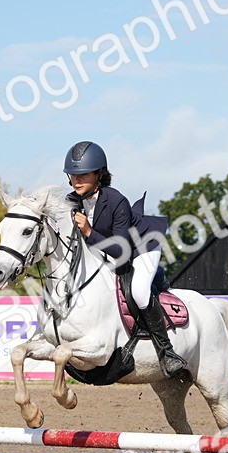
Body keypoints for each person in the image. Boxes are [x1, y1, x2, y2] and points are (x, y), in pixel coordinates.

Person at [64, 140, 188, 379]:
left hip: (141, 247)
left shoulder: (116, 200)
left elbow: (121, 251)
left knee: (140, 292)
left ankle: (167, 351)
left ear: (99, 174)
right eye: (72, 175)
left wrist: (89, 231)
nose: (76, 180)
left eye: (83, 174)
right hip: (106, 247)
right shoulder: (73, 200)